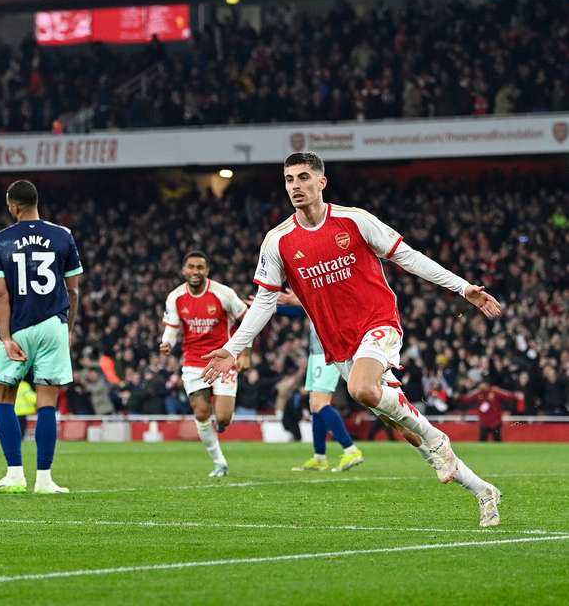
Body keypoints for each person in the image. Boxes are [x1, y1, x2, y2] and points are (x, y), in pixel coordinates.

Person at [202, 151, 504, 527]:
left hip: (378, 322)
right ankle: (483, 490)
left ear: (321, 182)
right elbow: (265, 302)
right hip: (339, 344)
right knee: (407, 432)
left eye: (303, 178)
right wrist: (233, 349)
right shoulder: (277, 240)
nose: (295, 186)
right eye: (289, 180)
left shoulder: (354, 220)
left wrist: (463, 289)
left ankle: (438, 438)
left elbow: (407, 257)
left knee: (362, 389)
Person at [0, 180, 83, 494]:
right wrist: (68, 329)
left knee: (3, 396)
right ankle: (44, 480)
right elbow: (74, 289)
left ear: (13, 205)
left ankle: (14, 474)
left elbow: (1, 295)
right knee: (47, 402)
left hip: (20, 326)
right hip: (54, 323)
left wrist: (6, 337)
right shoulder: (63, 235)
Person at [160, 251, 251, 477]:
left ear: (207, 271)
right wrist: (167, 343)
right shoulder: (175, 297)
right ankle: (219, 462)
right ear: (183, 270)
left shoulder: (224, 294)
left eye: (200, 267)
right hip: (193, 362)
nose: (195, 272)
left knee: (222, 418)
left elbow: (247, 318)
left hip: (223, 360)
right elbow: (172, 327)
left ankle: (220, 426)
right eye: (191, 267)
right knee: (201, 412)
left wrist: (245, 353)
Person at [278, 290, 364, 472]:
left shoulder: (333, 287)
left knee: (320, 403)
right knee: (314, 405)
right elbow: (309, 310)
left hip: (330, 351)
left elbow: (325, 305)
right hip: (316, 352)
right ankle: (319, 457)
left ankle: (351, 450)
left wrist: (299, 299)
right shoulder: (320, 290)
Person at [458, 382, 523, 442]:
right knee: (483, 440)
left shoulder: (495, 391)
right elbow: (466, 399)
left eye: (483, 384)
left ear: (487, 384)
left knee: (497, 439)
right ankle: (482, 454)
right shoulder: (478, 393)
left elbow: (507, 396)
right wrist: (459, 395)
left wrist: (516, 395)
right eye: (480, 385)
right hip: (484, 422)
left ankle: (499, 453)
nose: (481, 386)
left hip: (495, 422)